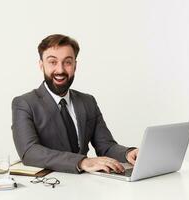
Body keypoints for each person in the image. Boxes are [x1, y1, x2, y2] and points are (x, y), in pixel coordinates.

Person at [11, 34, 138, 174]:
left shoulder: (88, 101)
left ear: (75, 66)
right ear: (41, 65)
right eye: (52, 62)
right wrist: (82, 161)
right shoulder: (24, 103)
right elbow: (29, 152)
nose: (60, 70)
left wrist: (128, 153)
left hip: (85, 186)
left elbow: (106, 146)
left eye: (67, 62)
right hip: (48, 187)